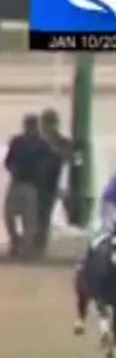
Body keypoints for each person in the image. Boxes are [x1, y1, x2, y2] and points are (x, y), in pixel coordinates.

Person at [4, 114, 45, 257]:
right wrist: (12, 168)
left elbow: (46, 165)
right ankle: (15, 241)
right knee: (9, 214)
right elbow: (8, 161)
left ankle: (25, 248)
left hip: (31, 184)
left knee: (29, 219)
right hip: (17, 182)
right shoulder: (17, 142)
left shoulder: (41, 145)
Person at [34, 109, 70, 256]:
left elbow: (66, 157)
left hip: (52, 184)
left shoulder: (62, 142)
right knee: (36, 215)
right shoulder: (37, 141)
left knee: (44, 214)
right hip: (36, 184)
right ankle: (36, 243)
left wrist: (50, 149)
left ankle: (40, 244)